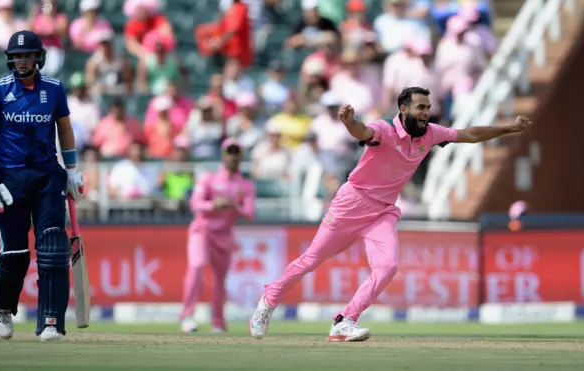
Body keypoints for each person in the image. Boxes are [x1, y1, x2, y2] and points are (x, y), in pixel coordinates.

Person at [249, 86, 533, 342]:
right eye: (420, 107)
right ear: (404, 109)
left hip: (383, 211)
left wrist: (508, 128)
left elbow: (469, 134)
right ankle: (269, 299)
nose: (425, 112)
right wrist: (349, 122)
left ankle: (344, 321)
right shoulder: (384, 129)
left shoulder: (431, 133)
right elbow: (362, 131)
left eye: (427, 107)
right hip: (352, 203)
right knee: (312, 259)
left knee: (387, 267)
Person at [0, 30, 84, 342]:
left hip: (48, 174)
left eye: (28, 55)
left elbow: (64, 128)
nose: (23, 60)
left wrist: (72, 170)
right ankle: (4, 308)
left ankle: (50, 321)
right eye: (18, 56)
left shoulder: (53, 88)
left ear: (39, 57)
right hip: (10, 177)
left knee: (51, 248)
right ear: (10, 58)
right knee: (15, 253)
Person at [180, 138, 256, 333]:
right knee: (196, 266)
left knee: (220, 279)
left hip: (224, 235)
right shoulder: (209, 178)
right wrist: (214, 205)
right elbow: (195, 204)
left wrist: (233, 205)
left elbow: (249, 213)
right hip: (202, 230)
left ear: (240, 156)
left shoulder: (245, 185)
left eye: (235, 153)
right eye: (229, 152)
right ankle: (187, 316)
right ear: (223, 155)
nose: (232, 157)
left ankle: (218, 321)